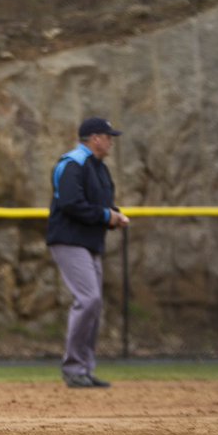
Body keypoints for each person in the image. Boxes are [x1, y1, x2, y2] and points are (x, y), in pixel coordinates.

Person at [46, 116, 130, 388]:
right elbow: (71, 203)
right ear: (95, 139)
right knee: (89, 299)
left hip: (89, 241)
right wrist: (107, 216)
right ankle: (73, 368)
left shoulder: (99, 168)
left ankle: (83, 369)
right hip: (69, 240)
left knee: (94, 304)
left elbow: (101, 203)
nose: (111, 142)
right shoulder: (73, 163)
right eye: (108, 137)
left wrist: (114, 215)